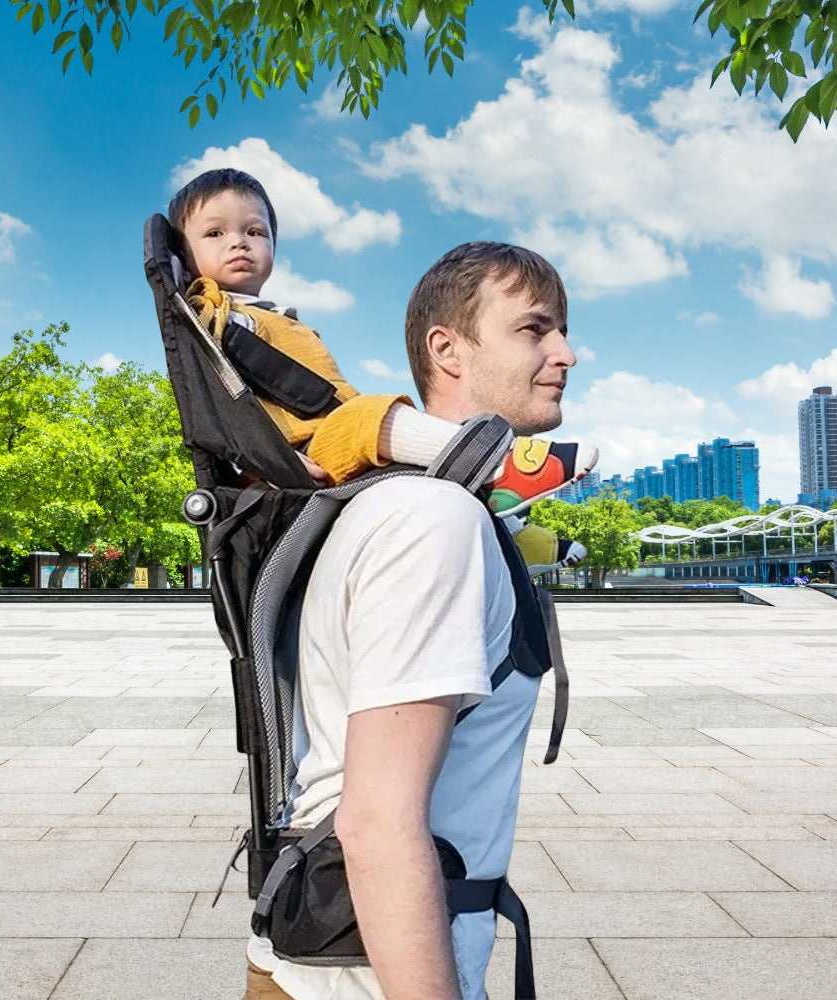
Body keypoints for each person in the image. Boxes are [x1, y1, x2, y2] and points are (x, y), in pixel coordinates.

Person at [244, 240, 577, 999]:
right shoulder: (434, 520)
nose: (565, 352)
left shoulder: (390, 501)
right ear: (447, 349)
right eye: (534, 329)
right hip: (368, 976)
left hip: (341, 959)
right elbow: (378, 823)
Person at [167, 170, 595, 562]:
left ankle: (507, 527)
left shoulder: (274, 317)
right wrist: (268, 462)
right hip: (300, 450)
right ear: (186, 259)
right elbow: (223, 406)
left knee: (399, 454)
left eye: (255, 231)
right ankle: (503, 464)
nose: (239, 242)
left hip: (317, 437)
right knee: (372, 416)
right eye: (215, 233)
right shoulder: (213, 314)